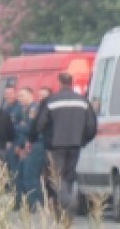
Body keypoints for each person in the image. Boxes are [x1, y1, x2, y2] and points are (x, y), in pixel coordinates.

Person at [30, 72, 97, 216]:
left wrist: (32, 139)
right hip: (75, 144)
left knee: (57, 175)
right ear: (71, 83)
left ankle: (62, 202)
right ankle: (64, 202)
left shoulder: (50, 101)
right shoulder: (83, 102)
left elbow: (39, 124)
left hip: (55, 145)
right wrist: (83, 140)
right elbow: (92, 125)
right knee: (69, 174)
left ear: (59, 83)